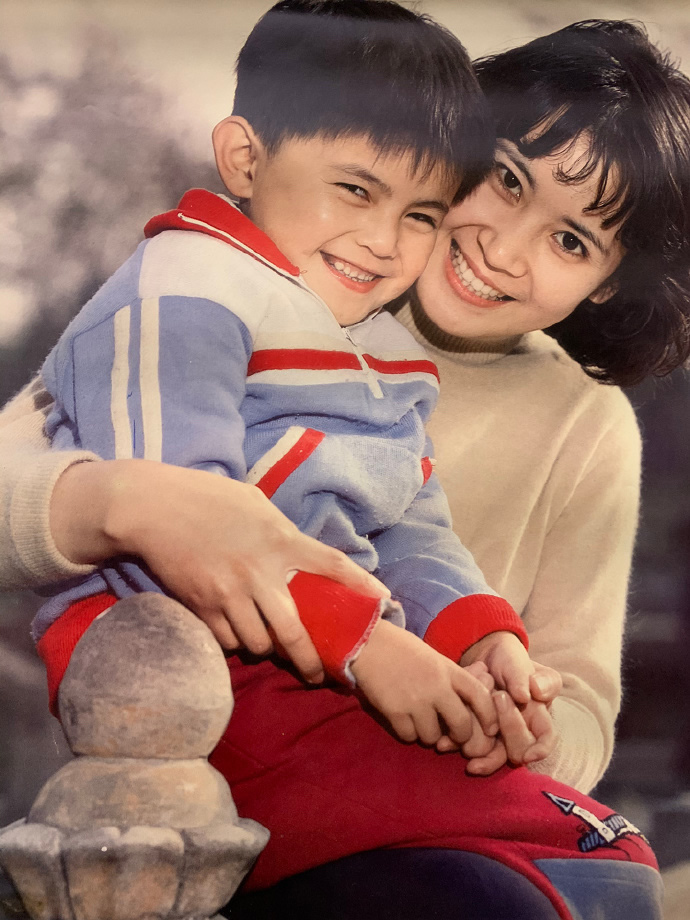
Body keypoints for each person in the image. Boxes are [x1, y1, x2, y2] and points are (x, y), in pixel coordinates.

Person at [2, 13, 690, 920]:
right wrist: (127, 500)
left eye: (571, 242)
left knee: (599, 867)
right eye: (505, 180)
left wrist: (494, 681)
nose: (502, 248)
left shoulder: (521, 404)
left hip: (391, 719)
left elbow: (421, 537)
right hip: (187, 695)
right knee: (540, 885)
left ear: (608, 282)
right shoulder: (225, 285)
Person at [31, 0, 545, 765]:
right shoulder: (185, 287)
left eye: (420, 215)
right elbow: (184, 525)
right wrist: (367, 645)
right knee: (498, 819)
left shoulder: (385, 348)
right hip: (177, 658)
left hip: (339, 653)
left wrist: (478, 635)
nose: (384, 242)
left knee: (543, 807)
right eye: (358, 190)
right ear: (245, 159)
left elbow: (410, 525)